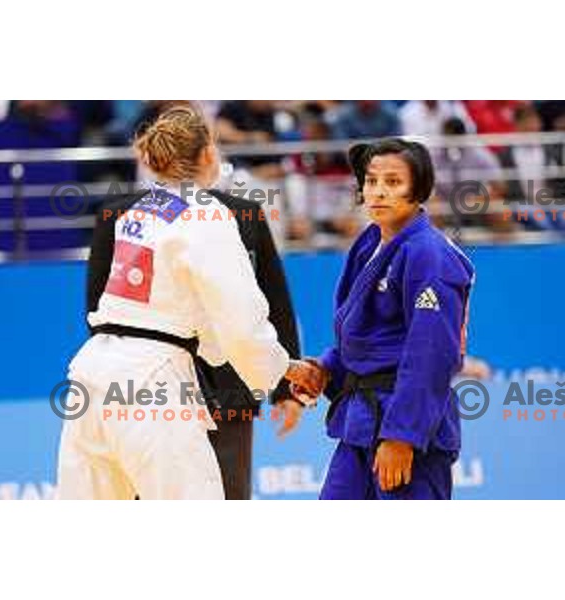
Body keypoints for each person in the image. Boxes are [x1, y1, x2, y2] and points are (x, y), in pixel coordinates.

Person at [57, 106, 323, 500]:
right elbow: (240, 321)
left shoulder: (135, 211)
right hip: (154, 383)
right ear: (207, 155)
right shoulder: (207, 213)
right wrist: (283, 368)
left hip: (94, 376)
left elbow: (200, 320)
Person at [87, 186, 305, 500]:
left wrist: (285, 387)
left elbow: (273, 300)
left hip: (226, 389)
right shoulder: (121, 213)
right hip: (151, 388)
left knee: (226, 491)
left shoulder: (240, 212)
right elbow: (102, 311)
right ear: (207, 153)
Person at [295, 138, 475, 500]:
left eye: (393, 182)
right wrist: (327, 368)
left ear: (418, 189)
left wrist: (402, 436)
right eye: (371, 180)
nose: (378, 191)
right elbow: (366, 334)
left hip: (406, 425)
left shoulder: (428, 254)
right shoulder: (370, 242)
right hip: (360, 423)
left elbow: (432, 352)